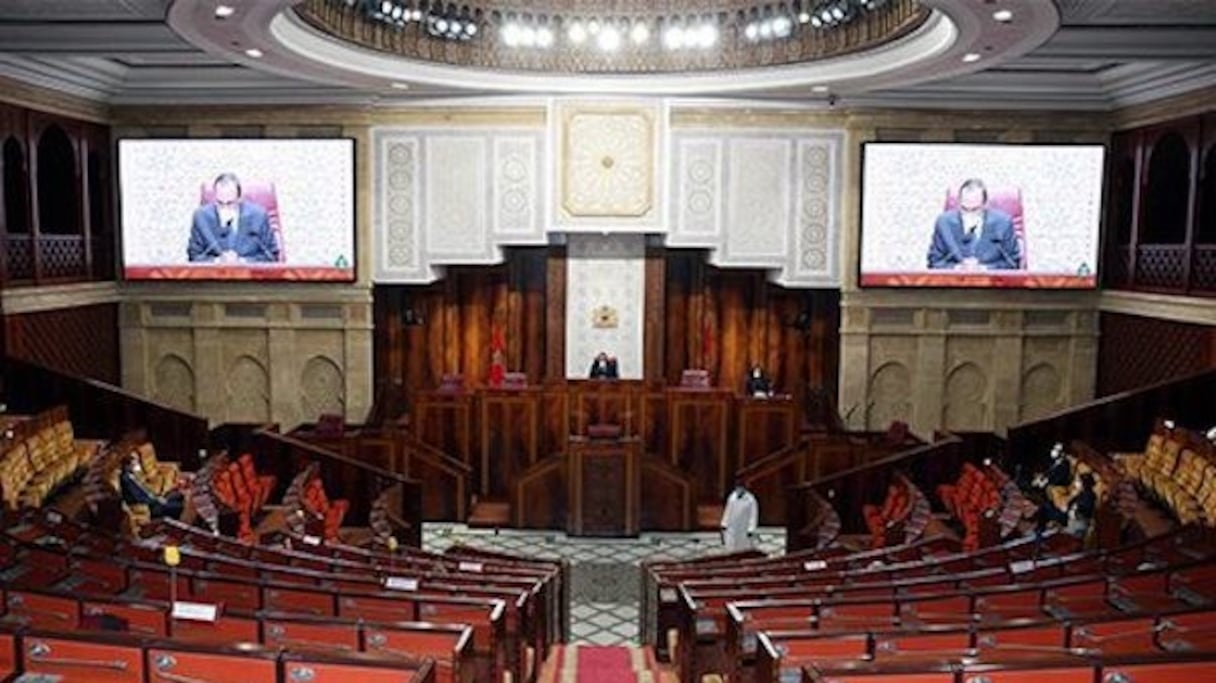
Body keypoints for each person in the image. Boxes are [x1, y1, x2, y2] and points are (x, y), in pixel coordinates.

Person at [927, 178, 1021, 270]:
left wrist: (984, 269)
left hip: (992, 283)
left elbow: (1013, 263)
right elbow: (934, 262)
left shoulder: (1003, 224)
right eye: (964, 209)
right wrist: (957, 268)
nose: (969, 214)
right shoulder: (944, 223)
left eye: (975, 209)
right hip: (954, 283)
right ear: (959, 203)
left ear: (985, 204)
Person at [187, 172, 280, 263]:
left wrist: (242, 262)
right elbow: (194, 257)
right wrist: (218, 261)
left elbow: (271, 256)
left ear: (239, 199)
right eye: (220, 203)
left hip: (249, 276)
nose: (225, 208)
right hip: (214, 276)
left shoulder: (258, 217)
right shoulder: (201, 218)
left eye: (230, 203)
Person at [119, 453, 185, 520]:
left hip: (153, 500)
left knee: (180, 497)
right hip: (152, 506)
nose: (138, 465)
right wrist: (157, 500)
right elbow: (140, 498)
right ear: (128, 465)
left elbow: (145, 491)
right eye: (135, 462)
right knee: (181, 507)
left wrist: (157, 497)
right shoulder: (127, 479)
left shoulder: (132, 475)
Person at [720, 479, 759, 552]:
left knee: (744, 549)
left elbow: (753, 516)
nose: (739, 489)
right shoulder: (732, 497)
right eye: (737, 487)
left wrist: (751, 529)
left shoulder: (750, 500)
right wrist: (724, 524)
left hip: (744, 529)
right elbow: (727, 512)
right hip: (732, 528)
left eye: (741, 487)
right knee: (731, 548)